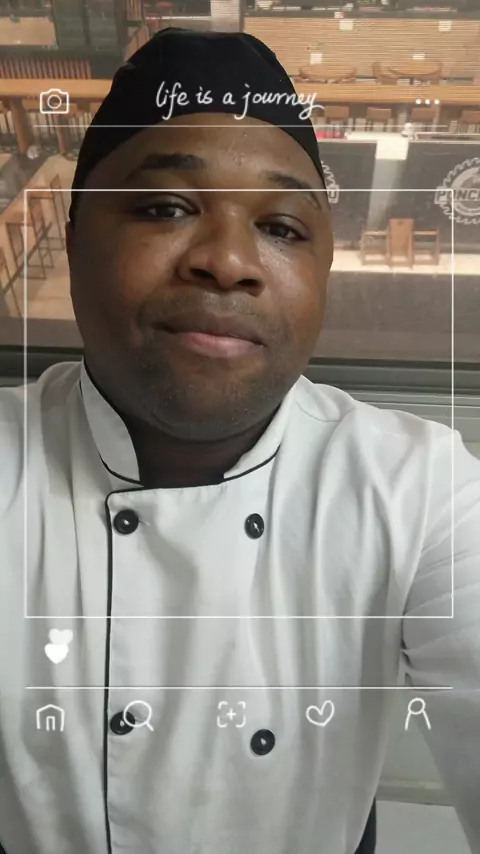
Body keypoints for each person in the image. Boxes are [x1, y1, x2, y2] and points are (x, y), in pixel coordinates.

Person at [0, 27, 479, 854]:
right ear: (73, 238)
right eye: (164, 208)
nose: (228, 261)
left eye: (283, 227)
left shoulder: (420, 491)